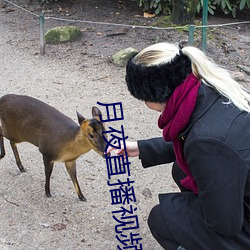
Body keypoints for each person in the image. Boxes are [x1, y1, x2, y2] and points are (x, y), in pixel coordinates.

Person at [106, 42, 250, 250]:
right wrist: (141, 148)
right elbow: (194, 137)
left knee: (163, 218)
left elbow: (225, 224)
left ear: (155, 94)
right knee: (180, 170)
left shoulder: (207, 142)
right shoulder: (209, 87)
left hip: (240, 223)